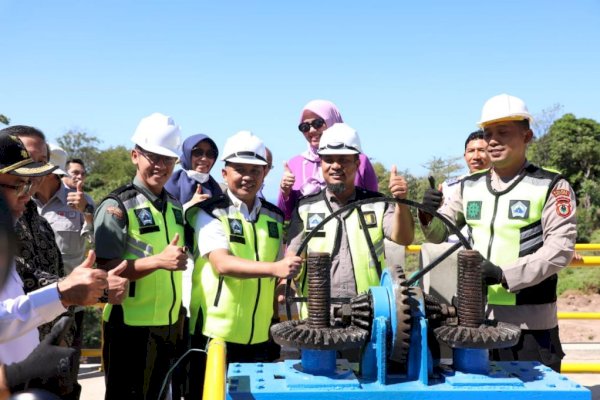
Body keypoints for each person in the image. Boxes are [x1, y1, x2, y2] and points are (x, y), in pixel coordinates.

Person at [418, 93, 577, 372]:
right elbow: (438, 233)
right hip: (476, 321)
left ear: (527, 136)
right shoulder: (469, 187)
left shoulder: (551, 185)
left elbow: (560, 250)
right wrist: (427, 214)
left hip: (531, 328)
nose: (492, 140)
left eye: (503, 132)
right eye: (488, 133)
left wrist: (504, 274)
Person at [185, 130, 302, 399]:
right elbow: (221, 263)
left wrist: (282, 284)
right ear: (225, 173)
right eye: (239, 169)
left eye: (255, 170)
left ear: (265, 174)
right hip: (214, 336)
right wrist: (276, 269)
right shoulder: (209, 212)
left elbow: (279, 267)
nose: (247, 176)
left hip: (261, 336)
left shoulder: (273, 216)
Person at [0, 132, 113, 397]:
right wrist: (61, 292)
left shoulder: (32, 224)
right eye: (19, 185)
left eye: (30, 185)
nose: (28, 195)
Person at [94, 112, 188, 400]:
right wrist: (159, 261)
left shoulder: (174, 206)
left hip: (169, 325)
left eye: (167, 159)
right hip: (129, 327)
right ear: (135, 155)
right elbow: (104, 271)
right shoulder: (117, 205)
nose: (160, 165)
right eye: (153, 157)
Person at [287, 123, 414, 307]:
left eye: (344, 159)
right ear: (321, 163)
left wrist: (401, 201)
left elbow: (404, 237)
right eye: (328, 159)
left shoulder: (377, 204)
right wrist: (285, 281)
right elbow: (292, 258)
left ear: (357, 163)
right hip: (317, 317)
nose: (335, 166)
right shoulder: (305, 207)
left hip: (371, 311)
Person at [278, 99, 379, 220]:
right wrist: (285, 192)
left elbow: (374, 205)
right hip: (312, 236)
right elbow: (285, 215)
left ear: (333, 120)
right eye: (304, 127)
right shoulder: (295, 164)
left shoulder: (359, 160)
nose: (311, 130)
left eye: (318, 123)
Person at [34, 144, 94, 274]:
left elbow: (98, 238)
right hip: (32, 288)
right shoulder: (22, 201)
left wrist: (86, 210)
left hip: (70, 287)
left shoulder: (82, 201)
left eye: (34, 170)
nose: (28, 175)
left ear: (50, 174)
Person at [165, 133, 223, 212]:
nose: (204, 158)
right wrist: (189, 205)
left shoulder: (216, 189)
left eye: (210, 154)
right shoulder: (171, 184)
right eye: (198, 152)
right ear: (187, 154)